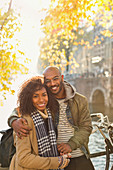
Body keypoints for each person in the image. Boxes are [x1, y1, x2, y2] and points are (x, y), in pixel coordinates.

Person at [8, 67, 95, 170]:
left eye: (55, 79)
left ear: (62, 78)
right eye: (48, 81)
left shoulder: (80, 100)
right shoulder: (45, 100)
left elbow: (86, 127)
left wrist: (70, 145)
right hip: (56, 158)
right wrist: (13, 120)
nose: (52, 83)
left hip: (79, 154)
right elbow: (22, 108)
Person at [9, 76, 70, 170]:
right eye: (35, 96)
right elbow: (23, 158)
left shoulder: (48, 115)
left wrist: (57, 152)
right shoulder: (24, 122)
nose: (41, 100)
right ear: (29, 98)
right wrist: (56, 162)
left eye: (44, 95)